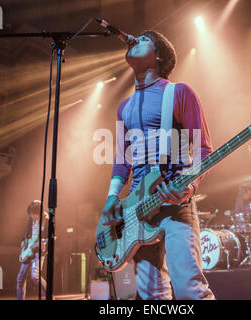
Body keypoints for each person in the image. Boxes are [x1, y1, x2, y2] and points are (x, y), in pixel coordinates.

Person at [100, 31, 215, 300]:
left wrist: (191, 186)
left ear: (158, 56)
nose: (133, 40)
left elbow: (203, 149)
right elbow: (122, 160)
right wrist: (112, 199)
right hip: (136, 212)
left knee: (190, 289)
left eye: (142, 39)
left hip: (175, 205)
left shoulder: (179, 92)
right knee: (152, 295)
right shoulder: (124, 107)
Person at [16, 200, 48, 300]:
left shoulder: (47, 219)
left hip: (38, 251)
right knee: (20, 278)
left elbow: (49, 236)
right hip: (28, 250)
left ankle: (49, 297)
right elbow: (27, 232)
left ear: (40, 212)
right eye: (31, 214)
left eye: (34, 214)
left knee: (35, 276)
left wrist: (44, 242)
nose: (33, 216)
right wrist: (24, 241)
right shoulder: (31, 219)